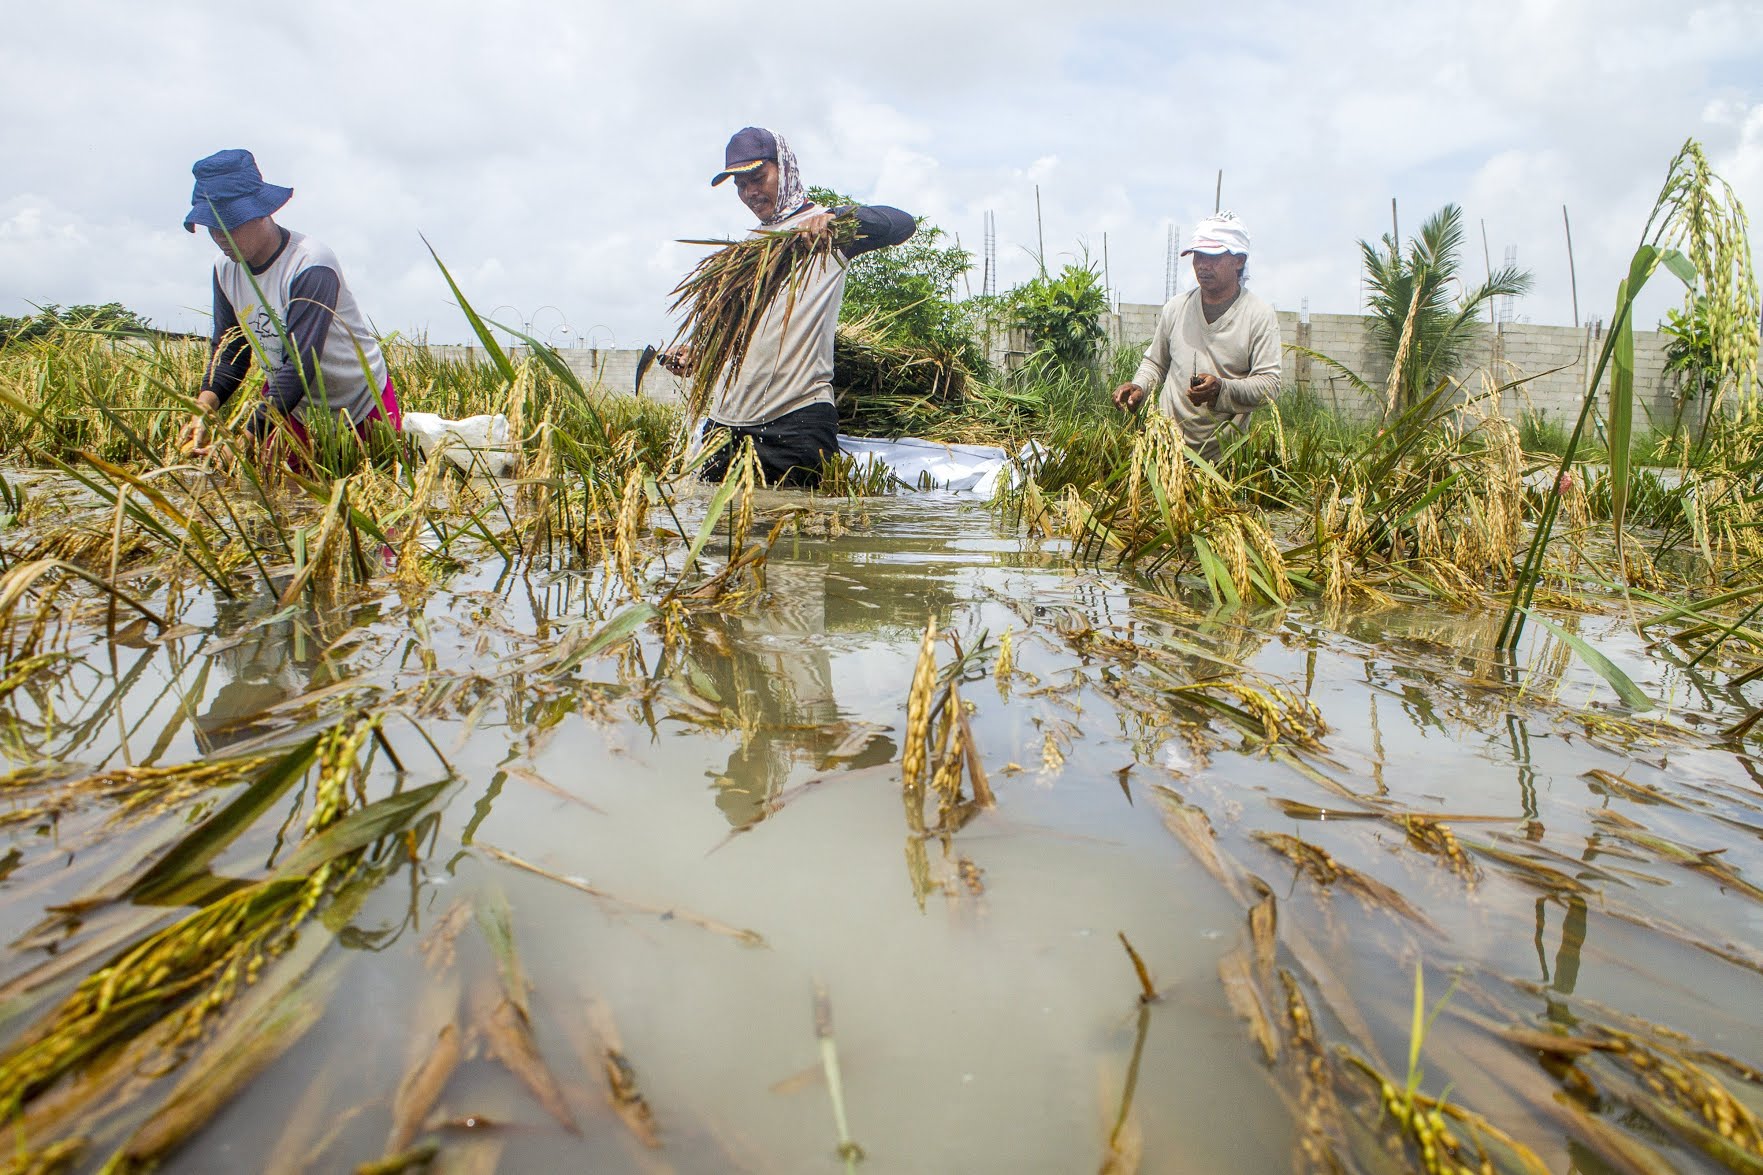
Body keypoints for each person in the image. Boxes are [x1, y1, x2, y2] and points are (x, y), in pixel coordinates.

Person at [663, 127, 916, 486]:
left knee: (799, 536)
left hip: (793, 425)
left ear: (785, 168)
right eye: (740, 185)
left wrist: (839, 217)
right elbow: (742, 336)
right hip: (724, 427)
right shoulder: (746, 251)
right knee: (719, 538)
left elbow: (903, 223)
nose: (750, 192)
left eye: (758, 177)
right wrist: (700, 358)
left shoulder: (826, 234)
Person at [178, 149, 401, 459]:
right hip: (291, 406)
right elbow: (230, 351)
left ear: (260, 212)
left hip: (358, 400)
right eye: (213, 229)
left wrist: (242, 442)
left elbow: (299, 365)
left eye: (229, 226)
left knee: (374, 487)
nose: (221, 238)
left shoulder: (310, 264)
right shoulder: (224, 270)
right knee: (284, 495)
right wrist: (201, 410)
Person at [1112, 212, 1281, 462]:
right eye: (1198, 256)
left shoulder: (1258, 315)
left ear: (1239, 261)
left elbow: (1270, 385)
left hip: (1222, 459)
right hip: (1166, 450)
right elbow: (1155, 363)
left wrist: (1221, 389)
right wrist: (1139, 386)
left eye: (1212, 257)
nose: (1202, 265)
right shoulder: (1176, 308)